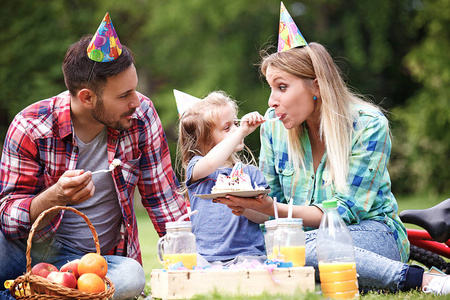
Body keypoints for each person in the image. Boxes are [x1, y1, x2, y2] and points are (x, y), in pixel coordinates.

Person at [216, 3, 450, 295]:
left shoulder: (367, 125)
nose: (271, 101)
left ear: (316, 86)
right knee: (270, 250)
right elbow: (269, 208)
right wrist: (247, 205)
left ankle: (425, 281)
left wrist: (272, 209)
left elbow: (346, 210)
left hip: (372, 233)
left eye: (282, 87)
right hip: (304, 240)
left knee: (297, 250)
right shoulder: (273, 128)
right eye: (270, 88)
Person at [0, 13, 186, 300]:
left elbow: (164, 200)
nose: (136, 101)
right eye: (124, 95)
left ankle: (26, 294)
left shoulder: (142, 115)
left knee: (131, 276)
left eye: (134, 89)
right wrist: (55, 197)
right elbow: (8, 218)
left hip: (97, 264)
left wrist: (193, 260)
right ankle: (46, 289)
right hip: (32, 252)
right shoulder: (30, 126)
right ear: (87, 98)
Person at [176, 90, 269, 266]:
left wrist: (245, 207)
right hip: (206, 259)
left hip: (248, 256)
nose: (236, 129)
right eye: (227, 128)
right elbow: (211, 163)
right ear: (204, 140)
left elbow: (263, 216)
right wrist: (241, 131)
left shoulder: (251, 173)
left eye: (236, 123)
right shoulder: (197, 169)